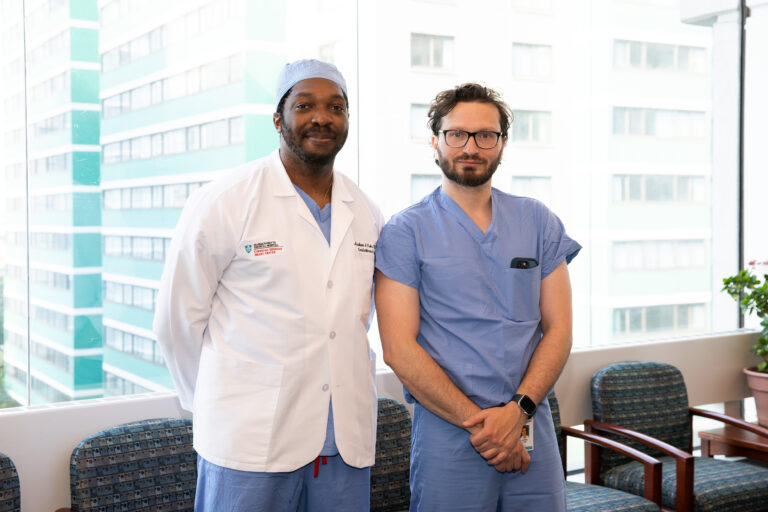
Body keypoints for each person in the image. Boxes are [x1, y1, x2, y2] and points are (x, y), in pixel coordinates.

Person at [153, 59, 383, 511]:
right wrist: (224, 400)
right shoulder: (224, 200)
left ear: (347, 121)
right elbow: (176, 321)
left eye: (336, 106)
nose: (322, 117)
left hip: (342, 443)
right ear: (279, 119)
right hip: (249, 441)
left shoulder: (366, 211)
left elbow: (356, 317)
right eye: (305, 105)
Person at [374, 83, 581, 511]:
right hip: (449, 433)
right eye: (457, 134)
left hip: (529, 422)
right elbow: (397, 349)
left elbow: (559, 329)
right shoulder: (405, 232)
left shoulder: (537, 221)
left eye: (486, 135)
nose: (471, 146)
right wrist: (488, 428)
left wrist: (517, 411)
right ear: (435, 142)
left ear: (502, 144)